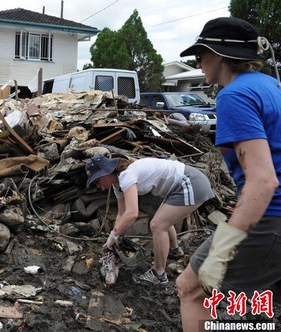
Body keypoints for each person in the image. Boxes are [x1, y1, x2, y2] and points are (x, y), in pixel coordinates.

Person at [176, 17, 281, 331]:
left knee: (191, 289)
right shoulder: (270, 85)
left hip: (271, 216)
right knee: (261, 302)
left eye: (201, 54)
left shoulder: (233, 95)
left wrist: (223, 251)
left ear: (218, 54)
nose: (198, 62)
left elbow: (264, 180)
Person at [85, 154, 214, 285]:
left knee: (157, 225)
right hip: (182, 186)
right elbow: (121, 213)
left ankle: (159, 274)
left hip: (190, 182)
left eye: (97, 181)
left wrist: (113, 235)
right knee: (162, 220)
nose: (99, 186)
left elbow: (132, 213)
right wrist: (115, 236)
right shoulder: (117, 184)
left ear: (105, 173)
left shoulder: (126, 175)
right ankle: (174, 251)